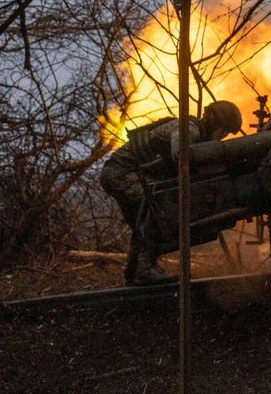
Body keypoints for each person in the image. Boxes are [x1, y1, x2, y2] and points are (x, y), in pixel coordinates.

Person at [99, 100, 242, 285]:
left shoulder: (193, 130)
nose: (222, 137)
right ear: (214, 122)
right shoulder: (189, 129)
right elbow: (181, 157)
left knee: (143, 221)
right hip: (122, 172)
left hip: (120, 172)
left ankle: (135, 272)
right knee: (157, 210)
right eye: (224, 130)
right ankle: (144, 270)